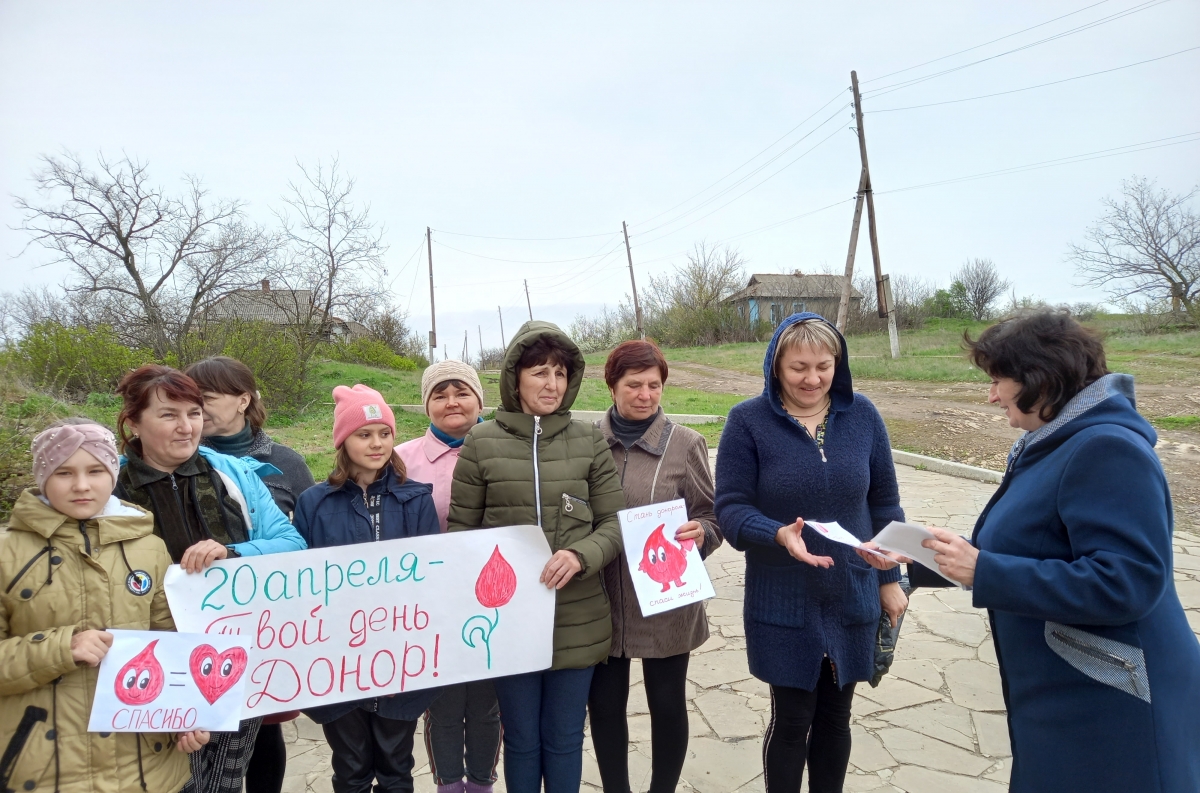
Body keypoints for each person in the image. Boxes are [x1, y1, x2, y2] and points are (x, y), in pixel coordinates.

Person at [918, 310, 1200, 792]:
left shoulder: (1107, 448)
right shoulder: (1051, 440)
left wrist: (983, 570)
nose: (990, 395)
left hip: (1114, 705)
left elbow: (1127, 581)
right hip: (1068, 698)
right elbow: (1028, 547)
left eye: (997, 380)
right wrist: (919, 559)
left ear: (1040, 379)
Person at [714, 313, 908, 793]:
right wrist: (778, 534)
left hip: (851, 591)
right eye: (799, 366)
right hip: (784, 599)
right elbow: (731, 509)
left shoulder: (863, 416)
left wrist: (888, 579)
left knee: (836, 718)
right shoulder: (747, 422)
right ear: (775, 364)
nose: (812, 378)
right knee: (793, 718)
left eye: (823, 365)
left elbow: (884, 502)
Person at [447, 321, 626, 793]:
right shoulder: (482, 442)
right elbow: (462, 535)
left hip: (578, 619)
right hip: (508, 622)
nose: (551, 384)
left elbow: (613, 524)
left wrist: (581, 555)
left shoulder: (588, 440)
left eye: (560, 374)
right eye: (539, 373)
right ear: (515, 378)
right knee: (523, 740)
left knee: (564, 739)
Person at [112, 364, 307, 793]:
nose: (186, 427)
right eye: (168, 415)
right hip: (145, 666)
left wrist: (233, 551)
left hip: (233, 659)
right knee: (162, 782)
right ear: (134, 422)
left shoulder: (232, 475)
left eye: (194, 413)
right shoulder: (109, 487)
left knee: (221, 780)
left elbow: (292, 544)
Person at [0, 419, 209, 793]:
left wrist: (185, 715)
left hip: (148, 770)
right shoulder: (6, 554)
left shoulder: (149, 547)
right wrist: (61, 648)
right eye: (64, 472)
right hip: (45, 770)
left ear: (112, 473)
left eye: (95, 470)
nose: (81, 485)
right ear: (42, 476)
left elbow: (171, 645)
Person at [586, 340, 722, 793]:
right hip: (600, 599)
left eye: (654, 385)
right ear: (611, 385)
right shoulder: (586, 443)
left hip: (666, 600)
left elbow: (712, 514)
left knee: (667, 703)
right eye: (633, 385)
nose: (645, 394)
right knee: (604, 706)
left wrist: (701, 534)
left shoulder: (685, 445)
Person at [294, 384, 442, 793]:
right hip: (337, 657)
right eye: (364, 434)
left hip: (399, 652)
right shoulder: (315, 503)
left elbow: (430, 576)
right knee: (351, 765)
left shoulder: (415, 500)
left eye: (384, 433)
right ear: (344, 441)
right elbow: (300, 580)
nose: (376, 444)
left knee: (396, 765)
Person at [186, 355, 316, 793]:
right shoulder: (178, 459)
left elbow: (306, 538)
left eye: (206, 399)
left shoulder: (284, 461)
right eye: (189, 401)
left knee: (263, 724)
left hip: (267, 620)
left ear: (243, 400)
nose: (197, 410)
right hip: (194, 621)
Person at [396, 361, 501, 793]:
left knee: (485, 703)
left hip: (493, 602)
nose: (452, 402)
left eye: (462, 392)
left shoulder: (505, 446)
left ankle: (481, 782)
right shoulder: (400, 459)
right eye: (440, 394)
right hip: (429, 606)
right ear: (427, 405)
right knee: (440, 702)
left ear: (480, 399)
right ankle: (447, 783)